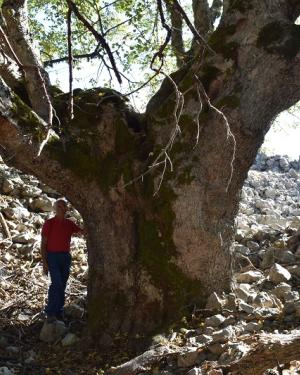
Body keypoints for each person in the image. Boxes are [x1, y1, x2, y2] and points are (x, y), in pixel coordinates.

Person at [40, 199, 84, 322]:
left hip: (65, 257)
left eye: (63, 206)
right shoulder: (49, 223)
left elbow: (82, 232)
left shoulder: (69, 224)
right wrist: (44, 262)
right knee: (57, 283)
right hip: (52, 257)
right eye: (58, 206)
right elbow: (43, 244)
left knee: (62, 285)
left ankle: (59, 311)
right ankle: (50, 312)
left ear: (66, 209)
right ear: (54, 208)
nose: (61, 208)